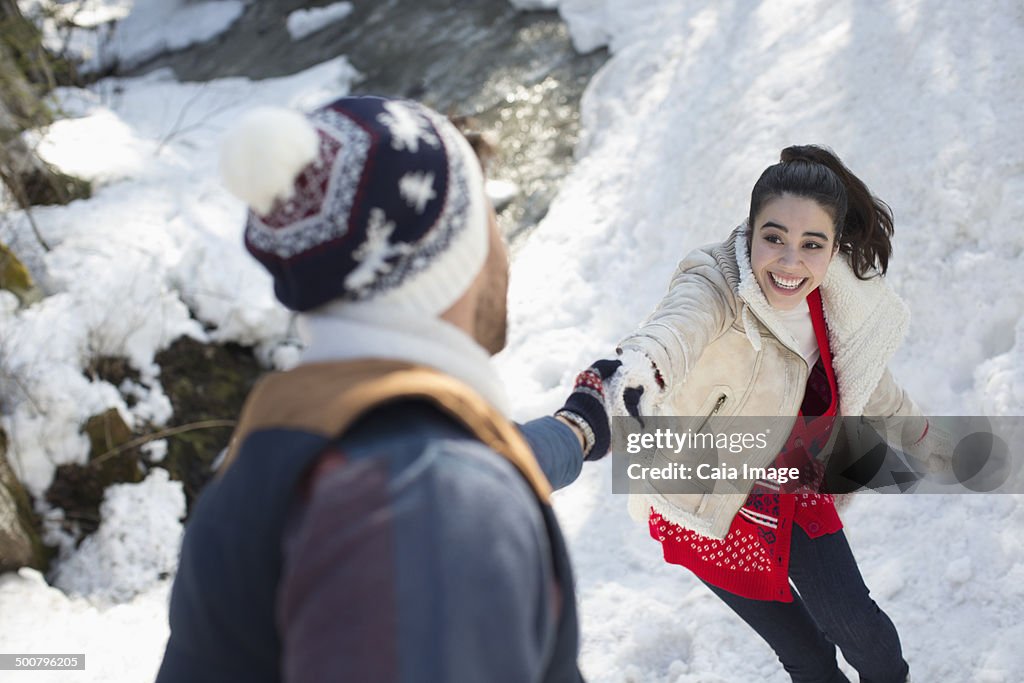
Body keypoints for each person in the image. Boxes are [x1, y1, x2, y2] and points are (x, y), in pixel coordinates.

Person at [155, 96, 615, 683]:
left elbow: (454, 463)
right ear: (455, 254)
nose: (502, 242)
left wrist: (578, 428)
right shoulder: (429, 499)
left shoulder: (301, 441)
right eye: (487, 220)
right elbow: (435, 496)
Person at [604, 145, 950, 683]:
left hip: (790, 490)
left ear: (833, 249)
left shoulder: (838, 304)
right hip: (705, 500)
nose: (790, 263)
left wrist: (925, 437)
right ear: (750, 231)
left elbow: (866, 383)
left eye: (811, 244)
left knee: (862, 632)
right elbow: (673, 330)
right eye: (774, 238)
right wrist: (636, 371)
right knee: (805, 657)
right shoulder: (717, 284)